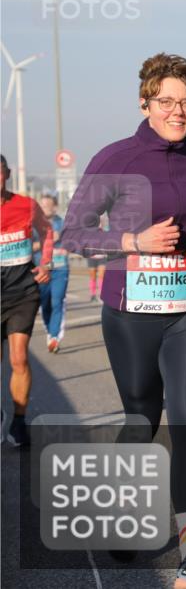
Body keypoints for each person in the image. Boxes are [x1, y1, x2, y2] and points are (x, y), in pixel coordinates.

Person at [61, 53, 186, 587]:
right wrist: (133, 241)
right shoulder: (116, 157)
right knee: (142, 419)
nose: (177, 110)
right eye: (167, 101)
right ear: (145, 102)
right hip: (130, 312)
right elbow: (73, 234)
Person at [1, 154, 53, 446]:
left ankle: (19, 423)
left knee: (18, 357)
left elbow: (47, 231)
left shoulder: (26, 205)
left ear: (6, 174)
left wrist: (45, 264)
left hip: (22, 290)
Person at [33, 195, 70, 353]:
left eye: (48, 205)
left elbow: (73, 243)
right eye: (42, 205)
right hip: (42, 268)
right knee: (45, 303)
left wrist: (63, 240)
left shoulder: (63, 223)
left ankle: (54, 336)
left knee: (57, 301)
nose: (44, 208)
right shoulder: (33, 225)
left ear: (55, 207)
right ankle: (50, 330)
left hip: (60, 268)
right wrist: (45, 241)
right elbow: (28, 247)